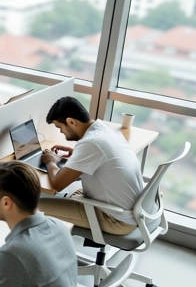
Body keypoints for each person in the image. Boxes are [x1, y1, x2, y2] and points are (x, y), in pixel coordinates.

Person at [38, 96, 145, 236]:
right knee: (63, 195)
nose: (61, 133)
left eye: (60, 127)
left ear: (71, 121)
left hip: (116, 219)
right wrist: (77, 154)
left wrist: (50, 160)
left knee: (31, 207)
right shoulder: (103, 130)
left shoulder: (91, 143)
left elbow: (58, 183)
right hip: (132, 210)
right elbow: (101, 155)